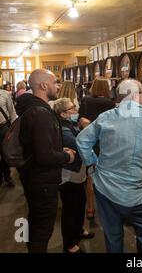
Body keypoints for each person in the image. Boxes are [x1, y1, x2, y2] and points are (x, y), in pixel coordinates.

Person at [76, 79, 142, 253]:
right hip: (134, 193)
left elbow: (82, 140)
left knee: (113, 237)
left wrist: (92, 164)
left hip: (104, 188)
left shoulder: (106, 116)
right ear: (136, 95)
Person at [15, 69, 76, 253]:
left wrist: (57, 149)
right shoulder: (40, 112)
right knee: (42, 230)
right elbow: (44, 156)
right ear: (43, 85)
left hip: (32, 176)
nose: (58, 86)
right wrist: (67, 156)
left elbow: (39, 146)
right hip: (42, 180)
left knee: (35, 224)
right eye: (54, 82)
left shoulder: (30, 108)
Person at [53, 98, 94, 253]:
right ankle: (69, 243)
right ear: (63, 114)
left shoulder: (70, 124)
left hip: (78, 172)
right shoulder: (63, 129)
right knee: (70, 207)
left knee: (80, 202)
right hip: (68, 174)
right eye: (72, 108)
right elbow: (79, 144)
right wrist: (87, 128)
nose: (76, 110)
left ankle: (78, 230)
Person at [78, 77, 114, 219]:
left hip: (90, 141)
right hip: (106, 142)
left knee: (90, 176)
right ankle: (108, 208)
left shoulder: (86, 100)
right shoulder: (109, 103)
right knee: (108, 176)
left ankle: (90, 209)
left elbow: (81, 120)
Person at [0, 88, 17, 187]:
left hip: (3, 128)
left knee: (5, 153)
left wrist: (14, 130)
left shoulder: (4, 94)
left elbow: (12, 112)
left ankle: (7, 176)